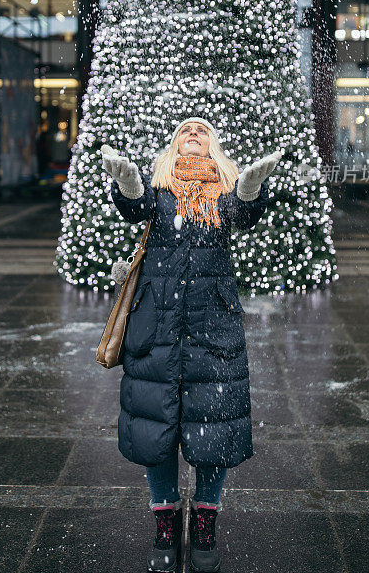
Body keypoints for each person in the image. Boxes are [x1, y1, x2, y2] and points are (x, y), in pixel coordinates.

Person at [101, 117, 281, 573]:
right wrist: (126, 182)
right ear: (174, 144)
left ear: (213, 145)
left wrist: (249, 189)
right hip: (156, 327)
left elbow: (243, 216)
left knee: (213, 429)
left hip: (212, 329)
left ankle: (204, 528)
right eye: (185, 131)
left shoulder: (222, 192)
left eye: (201, 131)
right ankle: (164, 528)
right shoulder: (159, 189)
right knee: (156, 429)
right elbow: (133, 206)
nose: (193, 135)